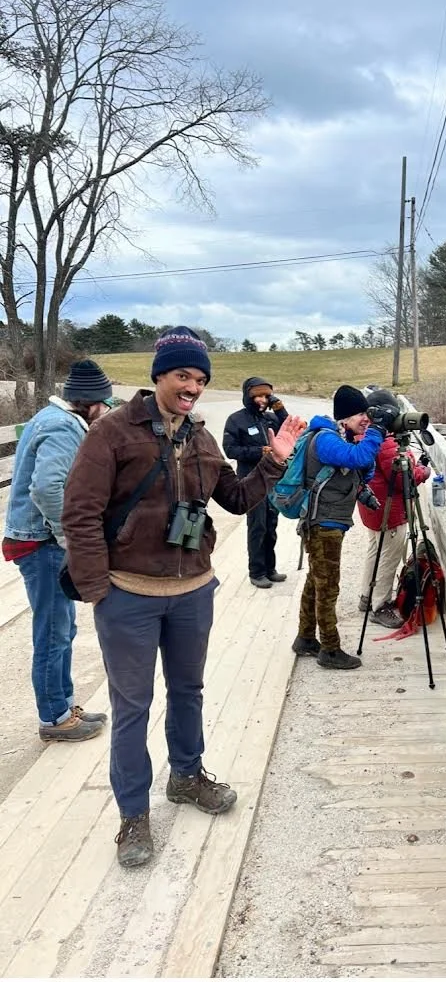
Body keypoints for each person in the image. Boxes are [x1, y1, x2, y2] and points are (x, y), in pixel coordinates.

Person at [61, 326, 304, 868]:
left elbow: (237, 502)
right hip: (129, 594)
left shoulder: (200, 436)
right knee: (132, 706)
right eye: (182, 376)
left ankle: (187, 777)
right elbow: (78, 513)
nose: (192, 386)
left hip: (194, 590)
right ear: (159, 377)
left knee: (188, 689)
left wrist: (273, 460)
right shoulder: (113, 433)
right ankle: (132, 815)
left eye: (200, 378)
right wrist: (99, 588)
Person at [2, 360, 115, 742]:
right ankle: (54, 718)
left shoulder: (53, 417)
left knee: (63, 628)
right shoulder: (62, 427)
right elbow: (48, 488)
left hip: (41, 539)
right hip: (42, 542)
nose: (107, 411)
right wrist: (69, 538)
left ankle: (64, 705)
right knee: (53, 632)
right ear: (90, 403)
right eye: (105, 403)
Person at [291, 384, 399, 670]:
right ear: (344, 416)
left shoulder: (342, 438)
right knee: (328, 588)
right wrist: (376, 430)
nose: (366, 418)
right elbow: (359, 458)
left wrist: (364, 487)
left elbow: (360, 469)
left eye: (367, 413)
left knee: (317, 581)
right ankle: (329, 649)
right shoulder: (326, 439)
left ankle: (305, 639)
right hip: (322, 523)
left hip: (329, 521)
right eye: (360, 413)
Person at [357, 389, 431, 629]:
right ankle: (380, 605)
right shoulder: (387, 442)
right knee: (388, 557)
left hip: (372, 507)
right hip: (389, 510)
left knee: (373, 550)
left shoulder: (365, 435)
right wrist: (423, 471)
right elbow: (402, 479)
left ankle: (366, 596)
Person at [222, 377, 290, 589]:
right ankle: (257, 571)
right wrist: (259, 452)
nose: (262, 400)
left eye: (266, 396)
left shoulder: (270, 419)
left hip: (272, 480)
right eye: (258, 396)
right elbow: (231, 450)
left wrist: (280, 409)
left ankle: (271, 569)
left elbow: (289, 431)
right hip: (250, 480)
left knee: (271, 525)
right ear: (248, 396)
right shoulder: (236, 420)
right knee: (257, 526)